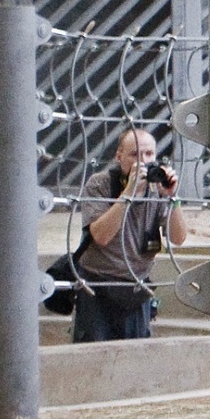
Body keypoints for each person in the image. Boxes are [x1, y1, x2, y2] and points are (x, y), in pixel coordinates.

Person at [70, 126, 188, 342]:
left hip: (135, 286)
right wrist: (128, 194)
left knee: (135, 355)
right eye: (135, 154)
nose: (143, 161)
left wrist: (173, 198)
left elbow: (178, 238)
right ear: (119, 156)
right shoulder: (100, 184)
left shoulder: (157, 188)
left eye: (149, 154)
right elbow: (101, 236)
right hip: (98, 284)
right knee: (92, 353)